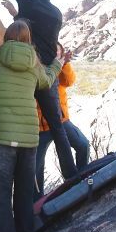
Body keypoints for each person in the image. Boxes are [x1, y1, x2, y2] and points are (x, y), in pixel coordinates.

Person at [0, 20, 62, 232]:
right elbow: (47, 81)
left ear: (6, 37)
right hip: (28, 138)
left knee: (1, 195)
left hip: (2, 139)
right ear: (27, 39)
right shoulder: (33, 63)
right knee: (24, 191)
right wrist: (57, 63)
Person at [5, 0, 78, 179]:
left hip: (26, 72)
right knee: (57, 126)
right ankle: (71, 173)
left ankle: (29, 187)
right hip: (48, 74)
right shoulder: (56, 14)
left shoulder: (26, 2)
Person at [34, 42, 90, 200]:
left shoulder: (59, 67)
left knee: (83, 145)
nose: (56, 55)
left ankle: (82, 180)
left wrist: (64, 64)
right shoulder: (38, 67)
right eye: (54, 53)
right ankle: (38, 202)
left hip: (62, 120)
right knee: (36, 167)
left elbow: (69, 81)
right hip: (40, 126)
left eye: (58, 53)